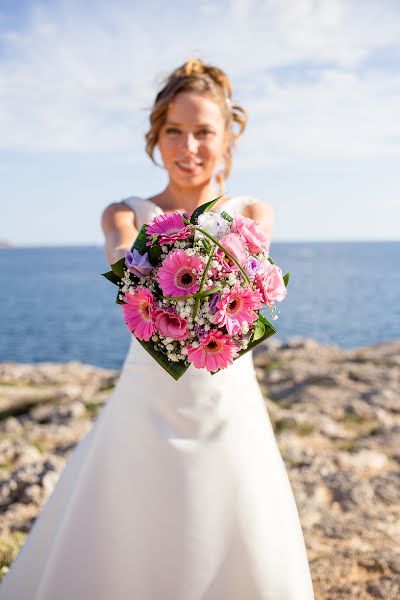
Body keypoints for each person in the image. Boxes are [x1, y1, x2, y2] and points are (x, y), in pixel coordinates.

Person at [0, 58, 315, 599]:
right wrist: (139, 259)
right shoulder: (127, 212)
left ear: (227, 139)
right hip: (144, 406)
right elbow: (122, 248)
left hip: (228, 405)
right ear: (155, 135)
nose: (188, 147)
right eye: (174, 131)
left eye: (203, 132)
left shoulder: (250, 212)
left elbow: (255, 256)